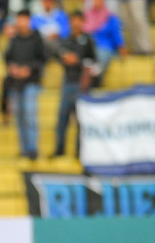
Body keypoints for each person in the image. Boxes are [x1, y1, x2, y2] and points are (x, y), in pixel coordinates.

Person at [53, 10, 95, 158]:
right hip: (67, 81)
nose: (76, 23)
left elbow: (94, 63)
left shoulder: (88, 41)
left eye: (79, 20)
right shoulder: (65, 41)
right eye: (73, 20)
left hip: (81, 83)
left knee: (81, 119)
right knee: (62, 118)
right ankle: (59, 150)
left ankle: (80, 151)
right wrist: (65, 57)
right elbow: (58, 55)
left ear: (83, 22)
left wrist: (79, 62)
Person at [5, 9, 45, 159]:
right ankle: (23, 149)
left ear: (29, 20)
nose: (21, 23)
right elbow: (8, 58)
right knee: (19, 117)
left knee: (30, 115)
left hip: (31, 82)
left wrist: (29, 69)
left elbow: (42, 59)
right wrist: (13, 68)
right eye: (19, 19)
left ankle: (32, 149)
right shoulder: (14, 39)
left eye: (24, 19)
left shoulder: (36, 38)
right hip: (16, 83)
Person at [84, 0, 125, 87]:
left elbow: (117, 35)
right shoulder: (87, 16)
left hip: (104, 47)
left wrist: (121, 48)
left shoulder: (110, 17)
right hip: (89, 47)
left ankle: (95, 82)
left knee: (99, 58)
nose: (96, 2)